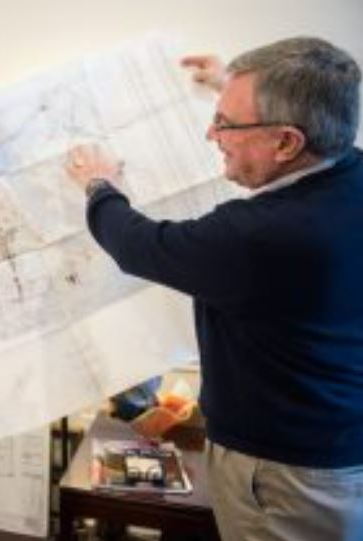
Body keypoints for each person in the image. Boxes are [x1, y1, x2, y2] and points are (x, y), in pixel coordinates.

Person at [66, 36, 363, 541]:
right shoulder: (348, 169)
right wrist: (232, 88)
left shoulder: (263, 234)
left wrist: (99, 186)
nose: (211, 133)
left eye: (225, 123)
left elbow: (139, 245)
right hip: (333, 446)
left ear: (287, 142)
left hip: (284, 474)